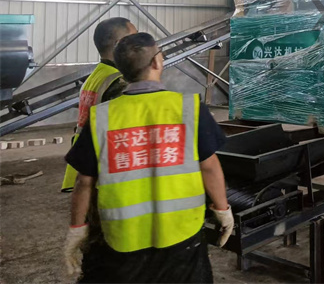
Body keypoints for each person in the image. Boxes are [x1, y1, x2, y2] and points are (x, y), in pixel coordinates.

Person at [64, 32, 233, 283]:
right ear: (157, 62)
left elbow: (84, 181)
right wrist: (222, 209)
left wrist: (77, 229)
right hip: (182, 234)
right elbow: (209, 167)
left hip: (123, 239)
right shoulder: (189, 107)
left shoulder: (102, 117)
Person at [62, 17, 138, 193]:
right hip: (104, 171)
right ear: (119, 44)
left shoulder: (98, 75)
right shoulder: (118, 82)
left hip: (85, 164)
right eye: (134, 37)